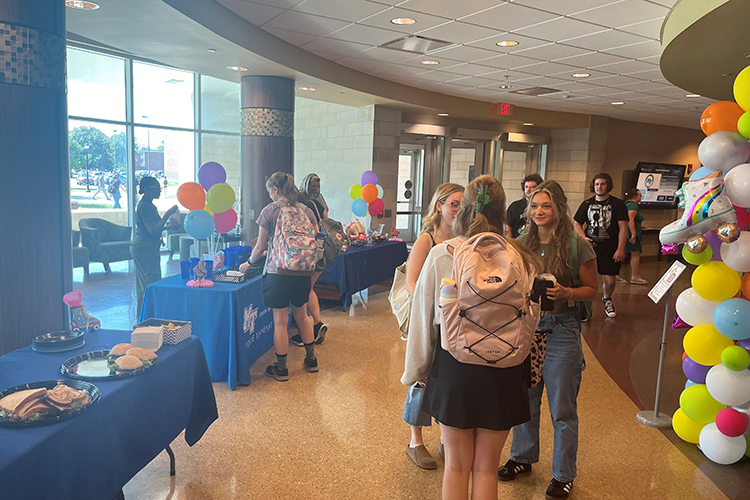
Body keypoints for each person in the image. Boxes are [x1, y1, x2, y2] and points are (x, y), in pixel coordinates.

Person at [402, 175, 542, 500]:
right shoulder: (523, 258)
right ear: (503, 210)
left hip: (455, 368)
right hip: (507, 369)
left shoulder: (443, 255)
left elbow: (424, 320)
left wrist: (415, 371)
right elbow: (533, 318)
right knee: (487, 468)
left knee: (456, 466)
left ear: (462, 209)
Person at [499, 180, 597, 500]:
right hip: (529, 328)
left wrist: (567, 292)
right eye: (536, 206)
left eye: (546, 206)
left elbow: (591, 289)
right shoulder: (522, 242)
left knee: (562, 407)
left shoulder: (576, 245)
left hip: (562, 331)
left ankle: (563, 474)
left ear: (559, 209)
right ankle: (522, 457)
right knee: (525, 397)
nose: (540, 211)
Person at [402, 182, 464, 470]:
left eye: (462, 204)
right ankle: (415, 440)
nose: (458, 209)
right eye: (453, 203)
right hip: (428, 316)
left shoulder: (465, 239)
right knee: (421, 377)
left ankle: (443, 435)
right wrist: (433, 307)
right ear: (439, 206)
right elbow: (412, 282)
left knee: (445, 378)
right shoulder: (427, 240)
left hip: (452, 322)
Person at [238, 172, 319, 382]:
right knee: (302, 316)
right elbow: (316, 238)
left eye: (269, 191)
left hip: (278, 272)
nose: (270, 196)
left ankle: (281, 369)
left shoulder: (270, 211)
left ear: (275, 190)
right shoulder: (306, 210)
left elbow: (260, 246)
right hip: (302, 271)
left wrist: (249, 262)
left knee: (280, 321)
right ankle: (311, 360)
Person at [573, 173, 628, 318]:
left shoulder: (618, 204)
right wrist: (583, 237)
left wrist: (621, 248)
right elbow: (577, 223)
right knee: (583, 279)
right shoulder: (587, 204)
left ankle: (607, 298)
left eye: (602, 184)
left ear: (608, 185)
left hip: (610, 247)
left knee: (609, 280)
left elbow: (623, 227)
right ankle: (584, 308)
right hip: (590, 246)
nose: (599, 187)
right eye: (597, 184)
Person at [290, 173, 329, 347]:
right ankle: (318, 323)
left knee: (304, 292)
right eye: (313, 186)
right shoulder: (319, 201)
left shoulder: (301, 205)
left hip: (307, 254)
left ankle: (308, 333)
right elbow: (327, 219)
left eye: (316, 186)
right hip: (321, 251)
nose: (315, 189)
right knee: (309, 289)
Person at [130, 176, 178, 317]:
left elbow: (153, 228)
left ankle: (144, 317)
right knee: (150, 284)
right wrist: (168, 214)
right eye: (156, 189)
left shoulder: (148, 205)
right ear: (146, 190)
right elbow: (152, 230)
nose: (159, 191)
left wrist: (170, 226)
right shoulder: (145, 206)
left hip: (145, 246)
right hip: (144, 248)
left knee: (144, 286)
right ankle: (148, 319)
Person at [619, 188, 648, 285]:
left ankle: (615, 274)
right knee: (635, 253)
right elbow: (630, 219)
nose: (641, 197)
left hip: (629, 232)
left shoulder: (627, 204)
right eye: (639, 195)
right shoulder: (632, 205)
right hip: (630, 233)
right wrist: (633, 233)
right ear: (635, 196)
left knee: (623, 252)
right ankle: (635, 276)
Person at [506, 173, 544, 238]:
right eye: (526, 187)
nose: (528, 189)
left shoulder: (543, 207)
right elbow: (507, 227)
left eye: (532, 187)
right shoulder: (515, 206)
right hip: (517, 242)